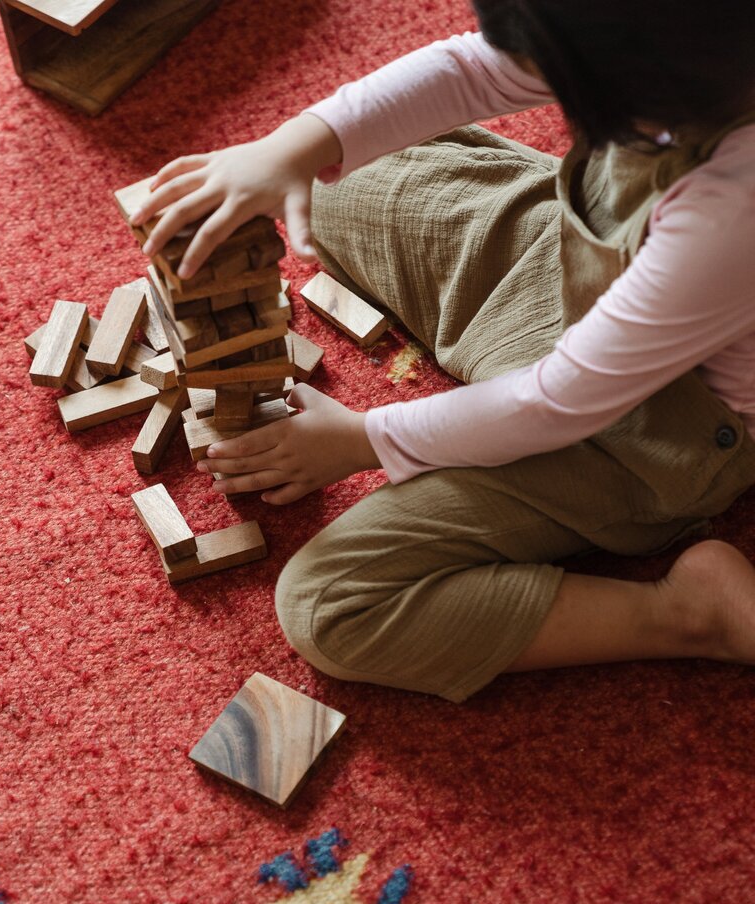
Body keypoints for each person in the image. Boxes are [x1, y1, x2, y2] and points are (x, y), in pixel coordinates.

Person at [130, 0, 755, 702]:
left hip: (649, 430)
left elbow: (557, 401)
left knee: (331, 606)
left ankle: (687, 615)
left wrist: (362, 440)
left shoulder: (734, 210)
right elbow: (474, 68)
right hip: (584, 276)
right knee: (332, 178)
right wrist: (288, 149)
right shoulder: (676, 51)